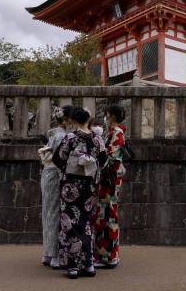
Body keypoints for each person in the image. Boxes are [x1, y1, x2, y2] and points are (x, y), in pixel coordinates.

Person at [53, 106, 107, 279]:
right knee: (84, 220)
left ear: (75, 121)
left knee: (69, 220)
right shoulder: (98, 139)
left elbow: (58, 158)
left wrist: (71, 166)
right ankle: (89, 264)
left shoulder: (71, 137)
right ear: (87, 120)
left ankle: (73, 266)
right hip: (90, 184)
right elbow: (103, 160)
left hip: (71, 184)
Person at [38, 105, 72, 269]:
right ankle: (55, 255)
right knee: (57, 212)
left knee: (48, 212)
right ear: (65, 120)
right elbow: (62, 159)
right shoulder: (63, 136)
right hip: (56, 174)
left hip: (47, 173)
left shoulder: (52, 134)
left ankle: (47, 253)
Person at [94, 104, 127, 269]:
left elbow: (110, 157)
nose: (106, 117)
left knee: (109, 215)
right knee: (105, 215)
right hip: (109, 179)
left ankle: (109, 256)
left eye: (107, 114)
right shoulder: (113, 133)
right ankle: (106, 254)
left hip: (110, 180)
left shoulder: (117, 133)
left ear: (112, 116)